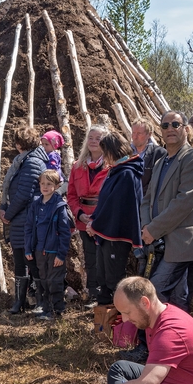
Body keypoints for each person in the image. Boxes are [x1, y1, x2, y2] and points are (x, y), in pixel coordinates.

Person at [141, 110, 193, 312]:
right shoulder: (160, 162)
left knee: (155, 293)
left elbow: (184, 202)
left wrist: (154, 228)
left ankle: (148, 343)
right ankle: (168, 342)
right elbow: (147, 199)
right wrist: (147, 226)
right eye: (165, 125)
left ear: (185, 130)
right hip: (158, 241)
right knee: (178, 298)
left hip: (181, 244)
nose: (170, 128)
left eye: (175, 124)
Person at [88, 133, 145, 306]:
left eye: (106, 152)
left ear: (113, 151)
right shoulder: (117, 171)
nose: (104, 157)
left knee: (114, 279)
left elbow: (116, 207)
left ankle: (122, 318)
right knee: (103, 276)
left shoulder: (126, 174)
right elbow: (105, 201)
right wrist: (94, 220)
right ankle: (105, 319)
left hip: (116, 235)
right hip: (106, 233)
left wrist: (95, 225)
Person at [2, 126, 49, 314]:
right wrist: (3, 208)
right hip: (20, 220)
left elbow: (24, 194)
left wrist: (8, 214)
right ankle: (19, 302)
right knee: (20, 261)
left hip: (29, 220)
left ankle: (40, 302)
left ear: (19, 143)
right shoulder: (22, 162)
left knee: (32, 262)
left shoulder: (32, 163)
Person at [67, 125, 111, 306]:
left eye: (98, 138)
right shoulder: (77, 166)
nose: (93, 141)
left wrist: (98, 217)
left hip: (104, 219)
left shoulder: (111, 166)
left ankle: (106, 292)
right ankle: (93, 293)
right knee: (90, 257)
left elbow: (112, 196)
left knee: (105, 256)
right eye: (91, 138)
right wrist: (79, 213)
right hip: (84, 219)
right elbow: (71, 195)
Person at [23, 170, 73, 321]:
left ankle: (56, 309)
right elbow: (29, 228)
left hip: (54, 251)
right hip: (39, 250)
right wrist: (28, 248)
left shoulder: (59, 206)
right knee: (43, 280)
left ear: (57, 186)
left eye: (49, 184)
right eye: (42, 183)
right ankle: (45, 308)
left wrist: (61, 254)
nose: (45, 187)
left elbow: (65, 233)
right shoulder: (36, 204)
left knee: (55, 281)